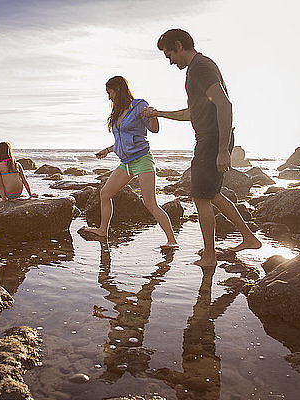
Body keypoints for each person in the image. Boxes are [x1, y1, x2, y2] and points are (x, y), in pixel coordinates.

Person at [143, 29, 261, 267]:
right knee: (212, 195)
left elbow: (224, 105)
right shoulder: (198, 69)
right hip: (210, 139)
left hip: (211, 140)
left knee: (200, 197)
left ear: (178, 45)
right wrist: (160, 114)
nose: (170, 61)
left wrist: (222, 149)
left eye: (169, 55)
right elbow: (191, 113)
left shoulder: (200, 67)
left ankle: (210, 256)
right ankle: (249, 238)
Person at [81, 76, 178, 249]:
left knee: (149, 202)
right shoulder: (117, 112)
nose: (109, 97)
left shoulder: (139, 106)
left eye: (109, 92)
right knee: (105, 193)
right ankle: (103, 230)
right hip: (125, 163)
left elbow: (154, 129)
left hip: (142, 159)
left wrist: (154, 115)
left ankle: (172, 240)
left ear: (117, 89)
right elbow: (122, 140)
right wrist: (108, 150)